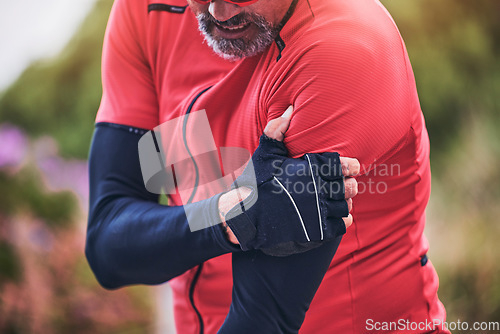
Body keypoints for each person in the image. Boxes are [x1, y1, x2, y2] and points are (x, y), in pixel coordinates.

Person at [85, 0, 450, 333]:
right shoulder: (145, 10)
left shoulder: (340, 47)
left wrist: (233, 217)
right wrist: (230, 217)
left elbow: (262, 320)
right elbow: (108, 246)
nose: (218, 11)